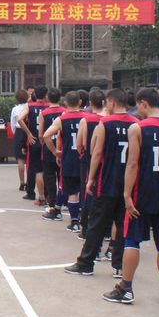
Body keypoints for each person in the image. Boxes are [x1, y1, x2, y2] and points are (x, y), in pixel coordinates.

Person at [103, 88, 159, 305]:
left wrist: (126, 195)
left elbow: (132, 164)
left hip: (142, 194)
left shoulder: (138, 128)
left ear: (143, 103)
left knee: (132, 240)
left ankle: (126, 288)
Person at [65, 88, 137, 278]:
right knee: (122, 225)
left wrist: (90, 179)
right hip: (128, 183)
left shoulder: (105, 123)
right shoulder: (137, 124)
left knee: (96, 223)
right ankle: (119, 266)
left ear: (111, 102)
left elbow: (95, 152)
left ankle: (86, 263)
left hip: (107, 181)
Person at [43, 91, 86, 230]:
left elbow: (46, 136)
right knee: (84, 190)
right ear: (80, 102)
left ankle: (74, 222)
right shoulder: (87, 117)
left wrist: (55, 152)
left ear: (65, 103)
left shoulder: (62, 119)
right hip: (84, 158)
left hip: (69, 159)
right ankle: (84, 219)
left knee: (72, 191)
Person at [75, 88, 106, 237]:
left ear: (90, 103)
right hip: (106, 161)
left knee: (87, 192)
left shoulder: (86, 120)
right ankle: (106, 229)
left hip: (88, 160)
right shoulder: (108, 120)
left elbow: (80, 144)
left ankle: (86, 227)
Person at [17, 86, 49, 203]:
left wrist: (29, 134)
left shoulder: (29, 106)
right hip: (47, 140)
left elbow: (19, 119)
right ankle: (48, 194)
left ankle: (36, 194)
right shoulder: (49, 107)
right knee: (47, 170)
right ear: (46, 95)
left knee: (35, 169)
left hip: (34, 140)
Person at [39, 88, 66, 220]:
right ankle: (64, 201)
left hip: (49, 147)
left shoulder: (44, 113)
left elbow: (41, 134)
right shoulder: (65, 112)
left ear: (47, 98)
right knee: (62, 177)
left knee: (49, 177)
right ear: (60, 98)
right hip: (62, 148)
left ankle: (52, 203)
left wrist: (44, 143)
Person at [10, 89, 29, 192]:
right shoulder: (29, 107)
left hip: (19, 131)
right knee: (29, 159)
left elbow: (13, 123)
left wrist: (16, 134)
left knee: (20, 160)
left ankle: (22, 182)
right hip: (29, 131)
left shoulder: (15, 109)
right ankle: (30, 182)